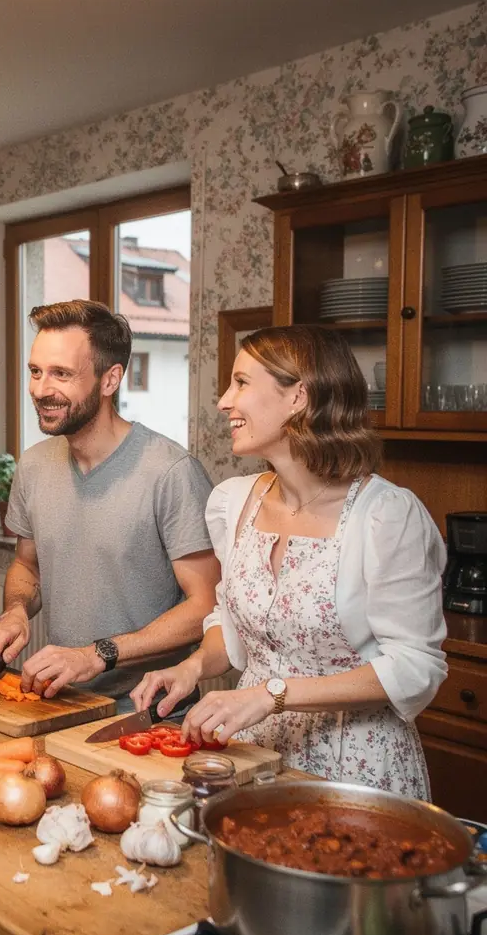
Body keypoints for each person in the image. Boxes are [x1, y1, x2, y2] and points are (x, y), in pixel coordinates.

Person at [131, 324, 447, 797]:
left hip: (354, 764)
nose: (224, 401)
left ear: (298, 396)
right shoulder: (235, 502)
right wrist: (192, 667)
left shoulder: (386, 515)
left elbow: (415, 666)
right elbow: (231, 624)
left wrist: (271, 695)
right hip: (254, 752)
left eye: (241, 382)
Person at [0, 300, 220, 712]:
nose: (40, 390)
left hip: (150, 716)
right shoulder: (34, 465)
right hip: (63, 703)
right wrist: (15, 612)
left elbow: (206, 606)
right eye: (36, 372)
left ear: (110, 380)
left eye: (61, 374)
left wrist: (98, 654)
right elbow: (27, 566)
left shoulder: (171, 472)